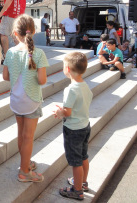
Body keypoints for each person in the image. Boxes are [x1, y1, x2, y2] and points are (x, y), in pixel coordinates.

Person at [3, 14, 48, 182]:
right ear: (34, 31)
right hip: (32, 100)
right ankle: (24, 171)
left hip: (16, 99)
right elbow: (42, 80)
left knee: (21, 135)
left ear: (15, 33)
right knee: (28, 137)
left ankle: (25, 162)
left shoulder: (10, 52)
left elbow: (6, 76)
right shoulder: (39, 53)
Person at [53, 52, 93, 200]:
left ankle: (77, 190)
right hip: (85, 125)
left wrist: (59, 112)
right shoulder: (85, 85)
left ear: (68, 69)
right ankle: (82, 182)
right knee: (83, 156)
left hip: (73, 129)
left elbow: (68, 112)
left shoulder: (71, 89)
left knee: (75, 161)